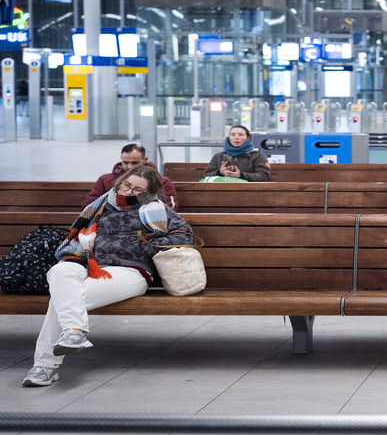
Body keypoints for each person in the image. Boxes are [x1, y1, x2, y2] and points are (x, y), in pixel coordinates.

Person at [23, 166, 195, 387]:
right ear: (120, 181)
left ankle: (45, 366)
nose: (130, 191)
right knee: (60, 270)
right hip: (86, 262)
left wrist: (149, 243)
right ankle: (73, 333)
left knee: (62, 299)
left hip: (130, 269)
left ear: (149, 192)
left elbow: (184, 236)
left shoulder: (156, 209)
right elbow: (76, 238)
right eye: (127, 185)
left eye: (138, 189)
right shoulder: (98, 207)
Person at [84, 144, 178, 210]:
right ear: (121, 158)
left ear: (145, 160)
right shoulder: (105, 180)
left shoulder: (162, 181)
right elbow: (89, 206)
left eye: (134, 163)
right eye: (125, 162)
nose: (129, 167)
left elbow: (171, 209)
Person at [202, 125, 271, 181]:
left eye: (241, 135)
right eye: (233, 135)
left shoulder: (257, 156)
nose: (236, 137)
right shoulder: (218, 156)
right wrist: (219, 172)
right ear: (229, 138)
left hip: (248, 193)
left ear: (248, 138)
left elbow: (263, 175)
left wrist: (241, 175)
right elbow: (207, 175)